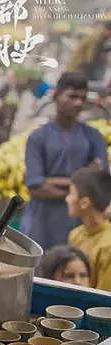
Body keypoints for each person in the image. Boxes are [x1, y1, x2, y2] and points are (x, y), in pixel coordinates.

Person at [22, 72, 108, 250]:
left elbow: (99, 187)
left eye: (82, 98)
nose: (78, 103)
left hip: (79, 227)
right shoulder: (38, 138)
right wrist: (80, 187)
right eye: (72, 96)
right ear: (56, 96)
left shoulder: (94, 137)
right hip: (42, 225)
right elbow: (35, 188)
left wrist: (51, 181)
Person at [67, 167, 111, 290]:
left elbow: (104, 298)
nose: (67, 199)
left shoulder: (108, 246)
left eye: (71, 193)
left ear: (84, 203)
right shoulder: (75, 234)